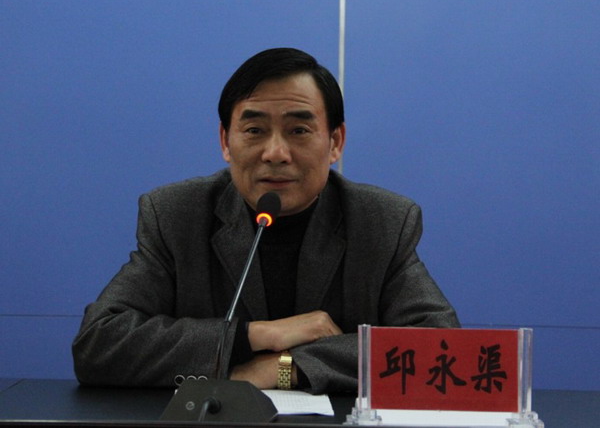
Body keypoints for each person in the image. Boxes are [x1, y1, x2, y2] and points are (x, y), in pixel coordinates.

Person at [72, 48, 459, 394]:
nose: (275, 153)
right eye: (255, 130)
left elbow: (442, 350)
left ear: (335, 142)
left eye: (299, 131)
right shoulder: (178, 215)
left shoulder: (381, 222)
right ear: (225, 141)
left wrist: (284, 368)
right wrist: (254, 335)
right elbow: (98, 345)